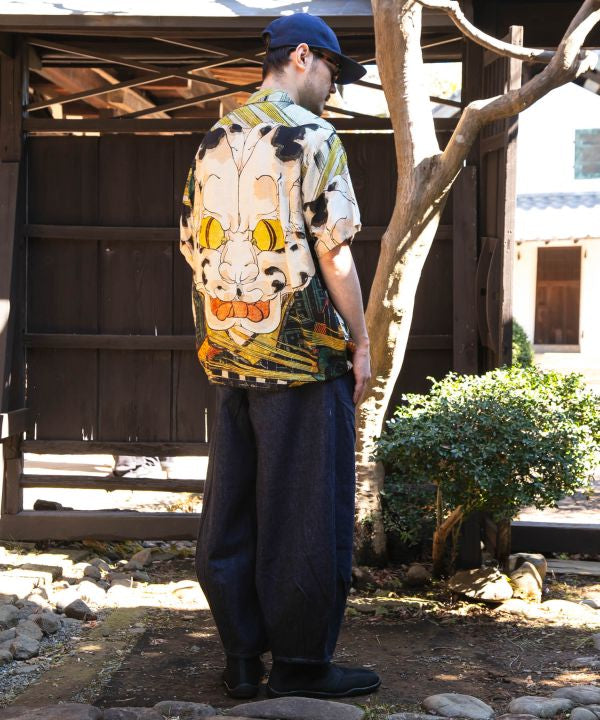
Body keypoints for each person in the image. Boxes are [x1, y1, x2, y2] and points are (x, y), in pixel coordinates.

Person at [179, 13, 380, 700]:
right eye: (331, 70)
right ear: (300, 56)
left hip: (229, 350)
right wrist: (361, 340)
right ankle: (299, 665)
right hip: (301, 358)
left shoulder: (213, 139)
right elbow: (335, 252)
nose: (333, 87)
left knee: (232, 507)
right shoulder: (314, 137)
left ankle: (241, 659)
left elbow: (191, 244)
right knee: (305, 511)